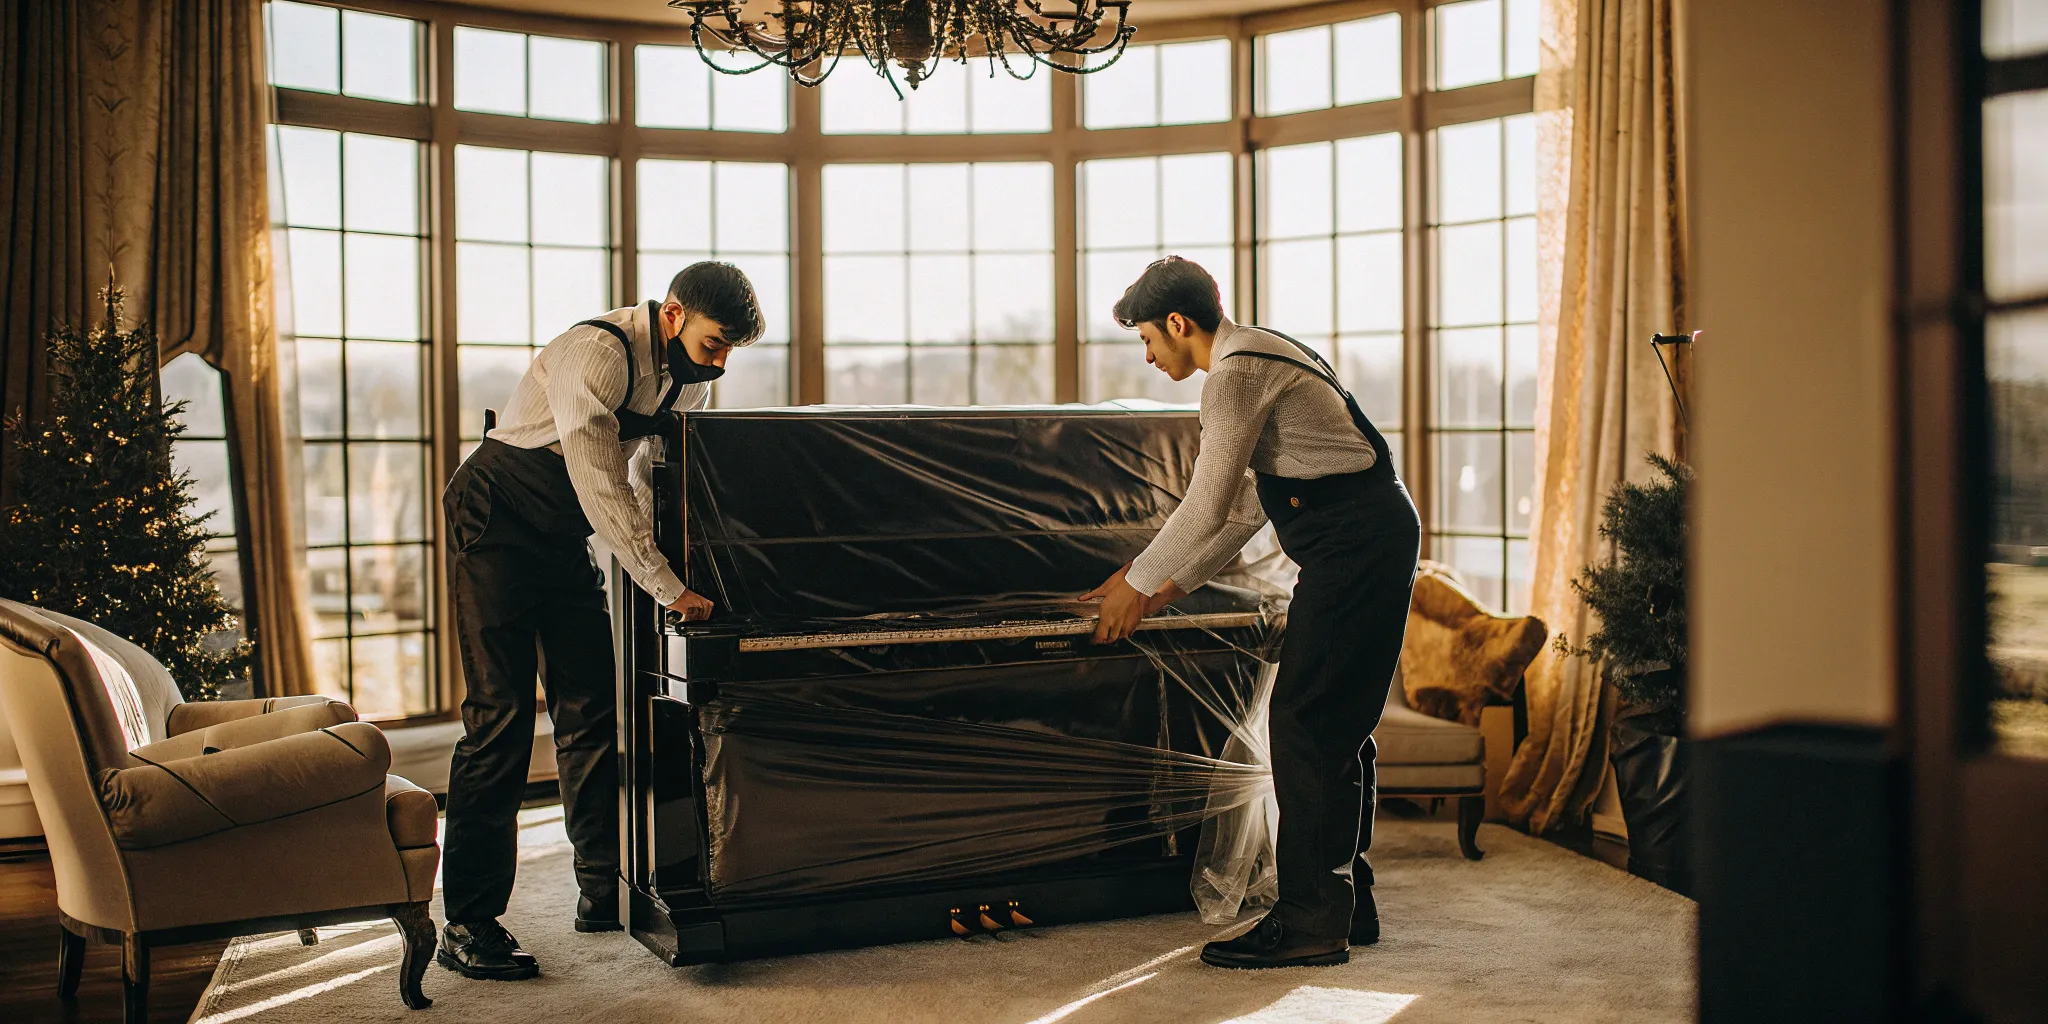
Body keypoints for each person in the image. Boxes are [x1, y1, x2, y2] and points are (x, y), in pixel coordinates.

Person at [1081, 256, 1419, 969]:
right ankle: (1343, 905)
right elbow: (1239, 513)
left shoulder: (1233, 375)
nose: (1147, 356)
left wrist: (1136, 584)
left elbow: (1205, 502)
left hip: (1354, 547)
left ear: (1178, 323)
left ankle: (1308, 923)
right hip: (1370, 536)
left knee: (1302, 721)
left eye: (1147, 339)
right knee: (1337, 723)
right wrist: (1171, 585)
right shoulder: (1262, 351)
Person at [436, 262, 763, 980]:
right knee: (501, 718)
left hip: (561, 533)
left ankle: (601, 889)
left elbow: (652, 479)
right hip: (496, 516)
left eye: (733, 349)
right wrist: (664, 584)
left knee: (590, 710)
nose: (722, 360)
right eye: (715, 343)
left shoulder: (692, 378)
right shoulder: (597, 351)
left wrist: (677, 577)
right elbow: (596, 476)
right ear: (674, 315)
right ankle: (466, 923)